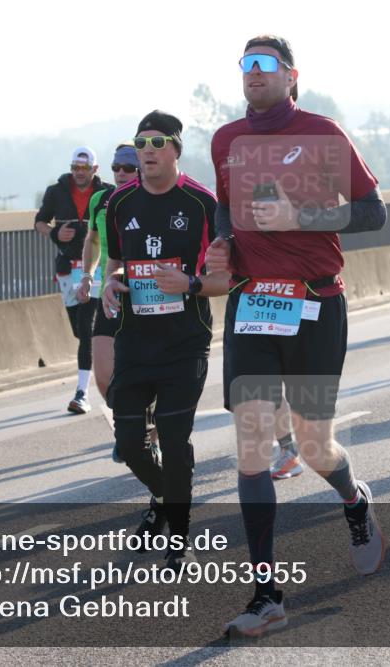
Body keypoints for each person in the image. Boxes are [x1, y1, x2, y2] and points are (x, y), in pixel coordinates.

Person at [207, 35, 387, 637]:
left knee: (314, 448)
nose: (252, 73)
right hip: (252, 301)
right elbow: (222, 207)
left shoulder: (322, 132)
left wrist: (299, 218)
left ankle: (354, 500)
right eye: (245, 65)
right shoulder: (225, 140)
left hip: (315, 302)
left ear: (290, 75)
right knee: (253, 441)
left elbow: (372, 212)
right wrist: (221, 245)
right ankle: (267, 595)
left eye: (265, 64)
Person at [101, 110, 222, 571]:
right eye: (140, 143)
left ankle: (179, 535)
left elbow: (224, 279)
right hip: (134, 338)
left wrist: (188, 284)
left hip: (184, 340)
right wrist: (112, 283)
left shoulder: (201, 204)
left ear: (175, 149)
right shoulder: (119, 203)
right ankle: (162, 491)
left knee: (174, 440)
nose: (146, 152)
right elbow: (117, 265)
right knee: (130, 444)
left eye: (156, 143)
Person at [76, 143, 155, 465]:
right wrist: (86, 275)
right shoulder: (100, 200)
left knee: (148, 373)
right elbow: (93, 240)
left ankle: (143, 430)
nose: (121, 174)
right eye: (116, 168)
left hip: (148, 295)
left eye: (128, 168)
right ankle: (129, 425)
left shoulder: (152, 199)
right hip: (109, 293)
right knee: (105, 377)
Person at [35, 147, 112, 414]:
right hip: (68, 268)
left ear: (95, 170)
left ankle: (82, 393)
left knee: (87, 327)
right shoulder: (55, 191)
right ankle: (99, 362)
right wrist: (55, 232)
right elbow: (39, 223)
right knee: (80, 331)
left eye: (84, 169)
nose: (79, 173)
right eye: (75, 168)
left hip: (96, 267)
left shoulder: (107, 192)